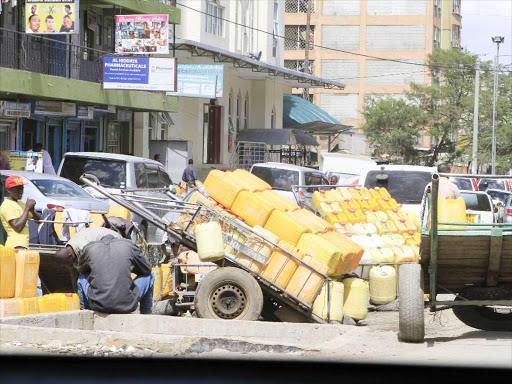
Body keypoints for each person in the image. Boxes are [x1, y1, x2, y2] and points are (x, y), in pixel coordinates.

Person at [55, 227, 154, 314]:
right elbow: (147, 269)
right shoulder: (128, 246)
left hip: (98, 305)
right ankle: (146, 315)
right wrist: (127, 268)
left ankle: (85, 312)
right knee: (150, 276)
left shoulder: (89, 247)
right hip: (128, 305)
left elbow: (82, 271)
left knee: (81, 278)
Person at [0, 176, 41, 249]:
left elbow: (39, 220)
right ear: (9, 190)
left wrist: (32, 210)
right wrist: (27, 208)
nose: (21, 191)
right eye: (17, 189)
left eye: (22, 188)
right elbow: (17, 227)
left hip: (23, 245)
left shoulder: (21, 203)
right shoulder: (6, 205)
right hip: (16, 245)